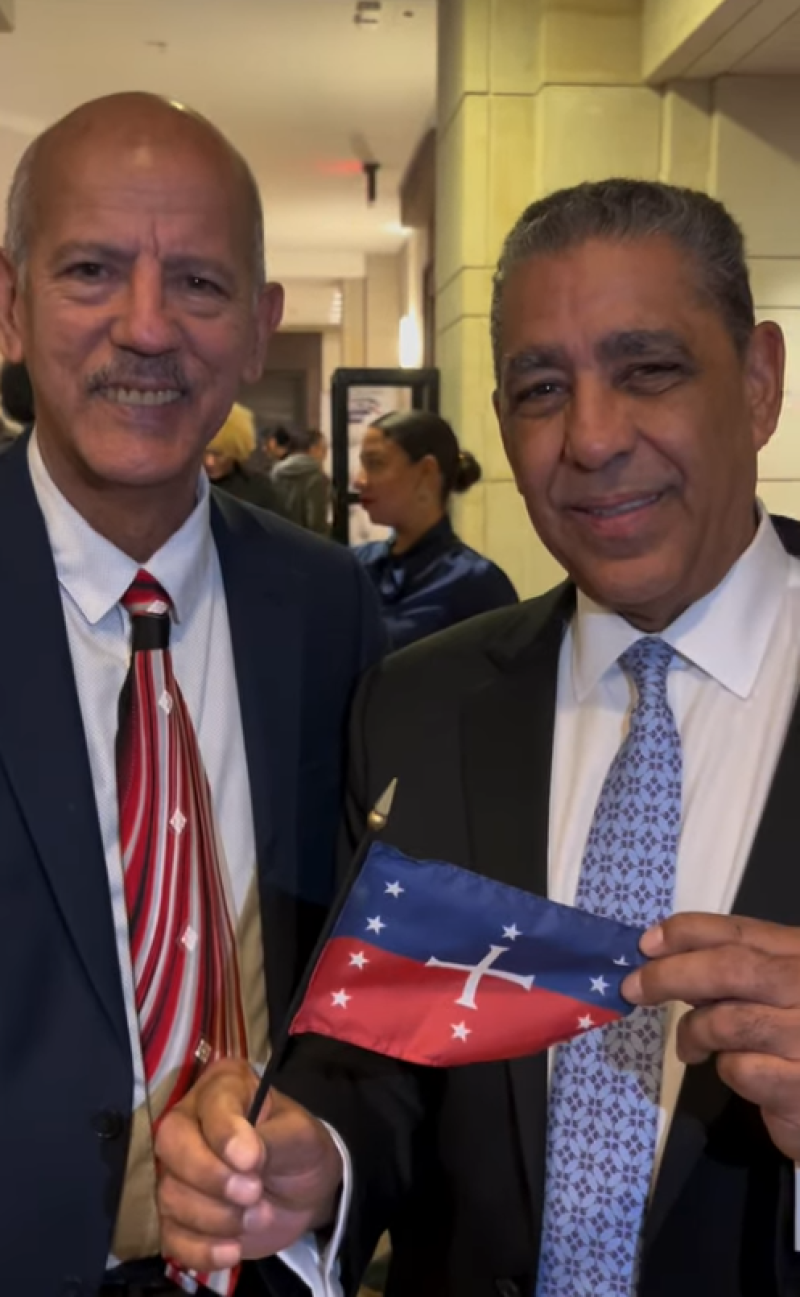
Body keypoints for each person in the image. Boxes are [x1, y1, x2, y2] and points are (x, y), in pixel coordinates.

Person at [158, 178, 800, 1297]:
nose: (591, 437)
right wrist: (317, 1162)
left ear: (756, 382)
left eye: (646, 369)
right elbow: (382, 1055)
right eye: (540, 388)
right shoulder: (420, 703)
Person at [0, 90, 384, 1296]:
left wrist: (319, 1153)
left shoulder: (330, 609)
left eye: (201, 285)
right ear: (9, 304)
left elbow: (356, 973)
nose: (147, 327)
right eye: (92, 271)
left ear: (261, 325)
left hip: (269, 1269)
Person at [354, 410, 518, 647]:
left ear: (426, 472)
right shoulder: (358, 565)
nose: (359, 480)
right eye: (363, 465)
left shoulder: (476, 582)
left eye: (375, 464)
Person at [204, 402, 284, 513]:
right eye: (203, 453)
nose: (210, 462)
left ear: (236, 450)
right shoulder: (183, 489)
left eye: (219, 454)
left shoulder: (259, 488)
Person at [271, 427, 331, 536]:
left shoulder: (275, 474)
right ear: (314, 449)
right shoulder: (317, 477)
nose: (325, 455)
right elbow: (316, 524)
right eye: (324, 449)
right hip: (305, 546)